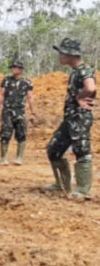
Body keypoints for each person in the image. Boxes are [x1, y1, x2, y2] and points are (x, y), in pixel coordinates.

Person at [46, 38, 96, 200]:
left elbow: (91, 88)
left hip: (79, 118)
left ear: (71, 54)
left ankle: (83, 190)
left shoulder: (84, 70)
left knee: (82, 151)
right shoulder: (75, 71)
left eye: (62, 53)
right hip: (70, 119)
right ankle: (61, 185)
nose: (60, 56)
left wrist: (80, 98)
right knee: (53, 149)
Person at [0, 60, 36, 165]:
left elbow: (30, 98)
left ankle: (19, 158)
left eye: (15, 67)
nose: (13, 69)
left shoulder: (27, 82)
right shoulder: (6, 81)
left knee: (21, 134)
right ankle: (3, 158)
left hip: (20, 112)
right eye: (12, 67)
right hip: (7, 111)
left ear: (21, 69)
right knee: (5, 133)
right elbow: (0, 95)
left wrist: (33, 113)